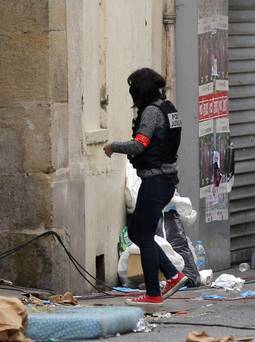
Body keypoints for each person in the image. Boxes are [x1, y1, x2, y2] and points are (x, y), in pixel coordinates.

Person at [103, 68, 187, 306]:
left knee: (145, 235)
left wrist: (113, 146)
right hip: (165, 180)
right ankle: (173, 274)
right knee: (136, 232)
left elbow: (139, 145)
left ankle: (153, 292)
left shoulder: (151, 112)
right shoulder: (168, 108)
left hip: (156, 181)